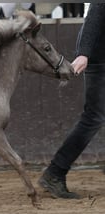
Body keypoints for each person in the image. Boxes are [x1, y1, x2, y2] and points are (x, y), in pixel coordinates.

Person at [38, 3, 105, 199]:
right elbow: (95, 15)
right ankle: (55, 172)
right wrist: (83, 53)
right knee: (93, 117)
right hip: (100, 59)